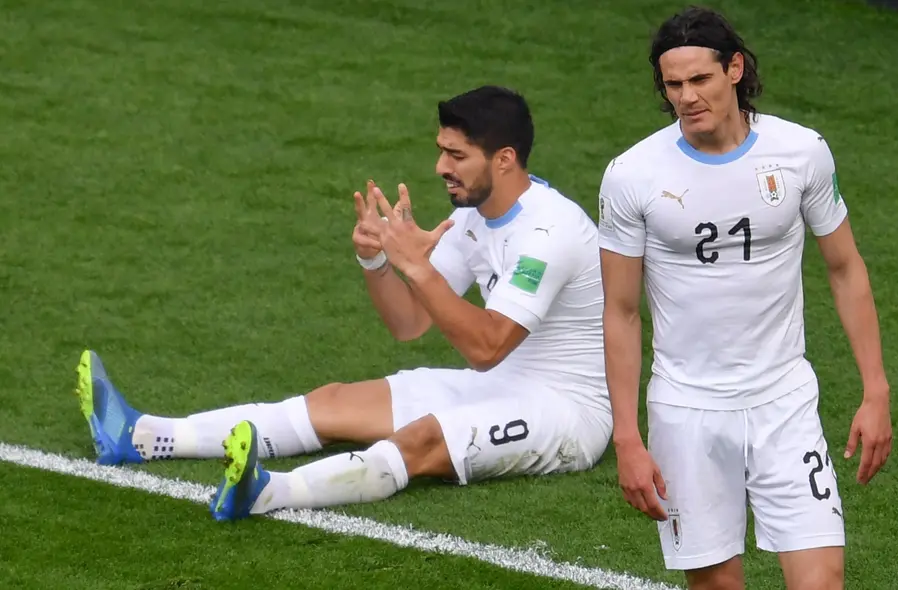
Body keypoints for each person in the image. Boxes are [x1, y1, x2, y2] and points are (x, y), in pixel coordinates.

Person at [73, 85, 612, 522]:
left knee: (421, 439)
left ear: (505, 159)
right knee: (332, 402)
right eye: (441, 149)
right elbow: (409, 322)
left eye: (456, 154)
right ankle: (143, 436)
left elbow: (488, 345)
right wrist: (379, 261)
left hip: (564, 412)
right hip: (499, 385)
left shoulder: (549, 231)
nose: (439, 167)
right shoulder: (474, 216)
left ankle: (267, 493)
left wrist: (419, 268)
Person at [597, 7, 892, 590]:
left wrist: (875, 388)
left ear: (734, 69)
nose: (686, 97)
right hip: (686, 412)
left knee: (821, 581)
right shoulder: (632, 176)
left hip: (784, 401)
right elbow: (621, 312)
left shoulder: (801, 152)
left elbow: (845, 268)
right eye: (673, 85)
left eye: (699, 80)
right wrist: (627, 439)